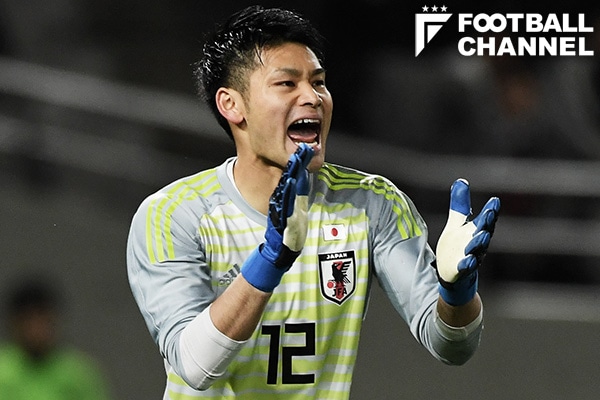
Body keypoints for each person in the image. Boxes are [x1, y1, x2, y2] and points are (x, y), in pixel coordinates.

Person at [126, 5, 500, 399]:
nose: (313, 97)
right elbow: (194, 364)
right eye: (287, 83)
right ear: (231, 105)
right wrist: (270, 261)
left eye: (318, 82)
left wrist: (456, 295)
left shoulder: (372, 203)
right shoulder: (172, 215)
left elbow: (451, 346)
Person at [0, 277, 111, 400]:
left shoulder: (79, 373)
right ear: (14, 323)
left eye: (42, 319)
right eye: (28, 320)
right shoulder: (2, 371)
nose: (36, 328)